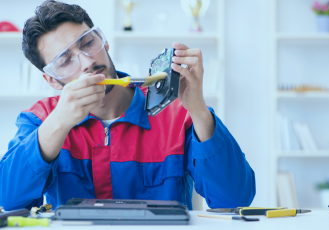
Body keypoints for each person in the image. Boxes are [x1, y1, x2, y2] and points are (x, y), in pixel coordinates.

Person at [0, 0, 255, 211]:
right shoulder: (41, 119)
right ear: (51, 80)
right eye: (64, 61)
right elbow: (9, 201)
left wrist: (198, 109)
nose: (87, 62)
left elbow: (236, 199)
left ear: (103, 40)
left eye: (88, 43)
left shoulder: (176, 114)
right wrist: (58, 123)